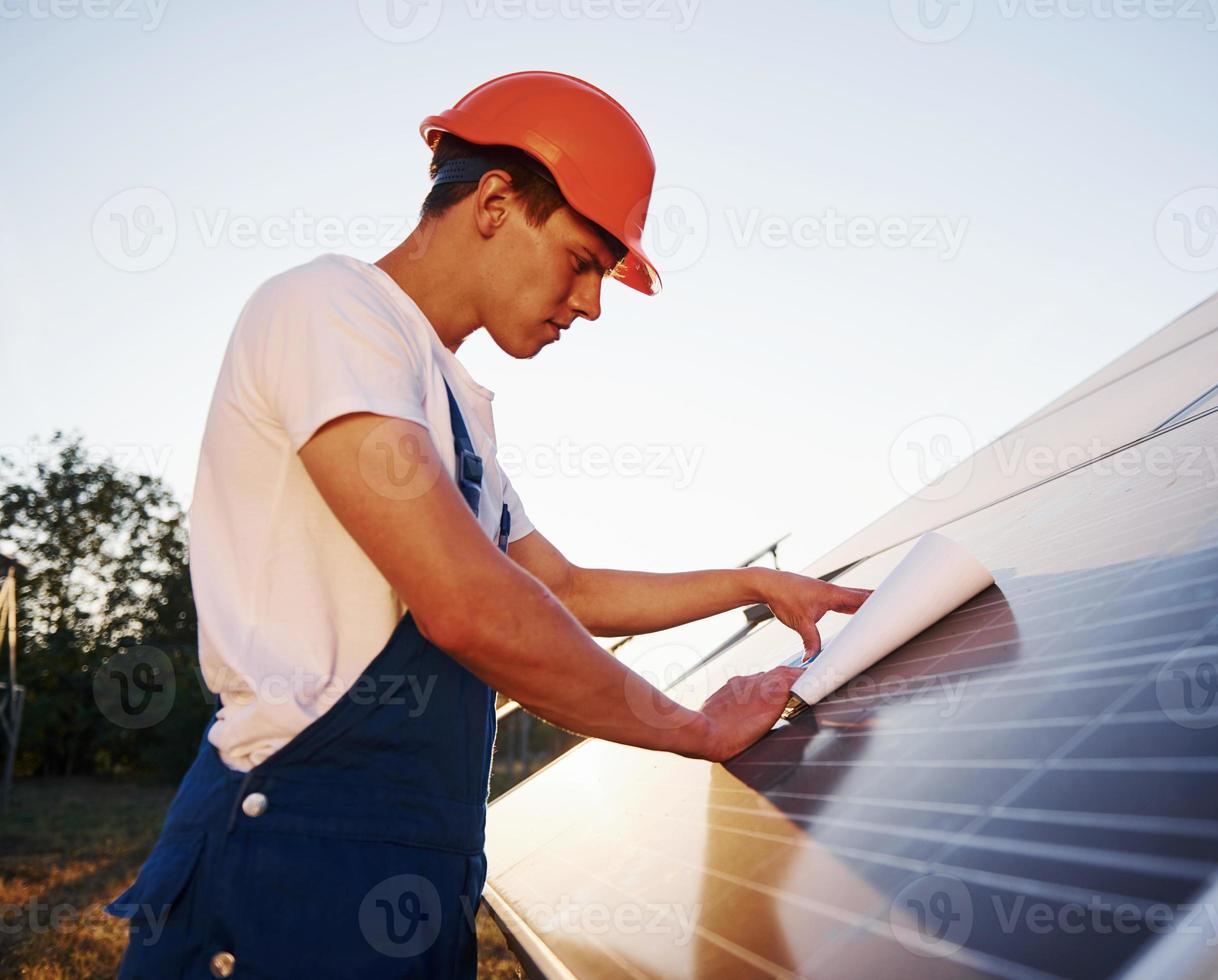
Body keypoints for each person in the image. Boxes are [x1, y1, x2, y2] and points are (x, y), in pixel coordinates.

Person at [103, 71, 870, 977]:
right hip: (295, 849)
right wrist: (688, 729)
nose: (590, 304)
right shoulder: (329, 311)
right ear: (498, 202)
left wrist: (749, 587)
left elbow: (565, 590)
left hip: (416, 862)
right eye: (584, 262)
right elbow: (468, 605)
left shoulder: (454, 413)